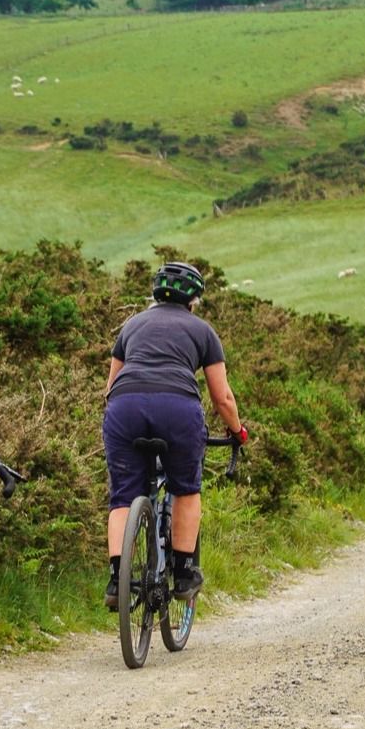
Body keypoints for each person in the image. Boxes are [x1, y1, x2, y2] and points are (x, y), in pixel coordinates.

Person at [102, 261, 246, 609]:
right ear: (194, 299)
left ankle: (118, 580)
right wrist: (237, 431)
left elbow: (109, 388)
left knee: (123, 497)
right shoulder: (203, 331)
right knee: (186, 489)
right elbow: (222, 397)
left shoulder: (131, 325)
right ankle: (183, 574)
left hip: (124, 406)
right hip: (177, 408)